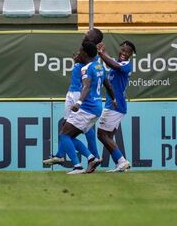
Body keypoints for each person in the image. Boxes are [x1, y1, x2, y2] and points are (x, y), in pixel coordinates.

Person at [44, 41, 116, 175]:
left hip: (87, 108)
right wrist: (114, 98)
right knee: (69, 135)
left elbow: (86, 87)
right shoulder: (99, 66)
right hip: (96, 108)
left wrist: (78, 103)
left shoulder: (86, 68)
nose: (78, 52)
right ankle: (91, 158)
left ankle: (78, 166)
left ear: (85, 53)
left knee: (64, 135)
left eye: (80, 51)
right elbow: (107, 84)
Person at [96, 40, 136, 172]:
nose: (124, 53)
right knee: (108, 136)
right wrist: (103, 51)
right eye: (122, 50)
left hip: (115, 106)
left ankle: (122, 161)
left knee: (102, 134)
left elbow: (114, 65)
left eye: (127, 52)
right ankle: (120, 163)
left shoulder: (126, 65)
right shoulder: (117, 62)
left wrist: (102, 55)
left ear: (130, 55)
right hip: (115, 105)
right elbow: (111, 61)